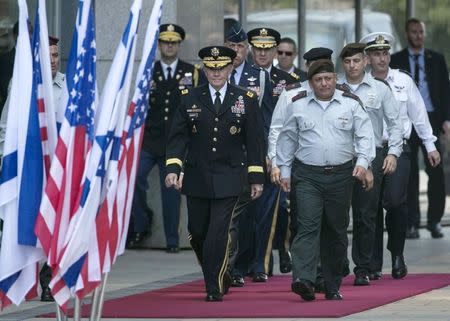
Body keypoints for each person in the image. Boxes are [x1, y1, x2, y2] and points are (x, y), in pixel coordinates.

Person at [165, 45, 265, 302]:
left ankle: (214, 285)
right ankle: (218, 272)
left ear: (230, 68)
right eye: (211, 68)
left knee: (218, 234)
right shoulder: (189, 97)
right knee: (197, 232)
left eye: (221, 68)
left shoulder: (246, 99)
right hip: (198, 176)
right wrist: (173, 168)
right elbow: (177, 138)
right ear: (204, 69)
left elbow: (255, 142)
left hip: (231, 177)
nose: (216, 72)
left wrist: (256, 177)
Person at [277, 59, 374, 301]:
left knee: (335, 229)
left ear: (335, 78)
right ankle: (304, 279)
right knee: (307, 225)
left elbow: (365, 136)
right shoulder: (297, 105)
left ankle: (331, 284)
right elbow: (287, 139)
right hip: (307, 175)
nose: (324, 83)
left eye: (328, 78)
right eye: (318, 80)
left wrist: (362, 163)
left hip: (341, 176)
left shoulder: (350, 104)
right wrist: (285, 171)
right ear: (311, 83)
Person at [361, 32, 441, 280]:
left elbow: (418, 114)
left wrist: (430, 145)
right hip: (371, 150)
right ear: (367, 58)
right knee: (370, 206)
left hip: (400, 148)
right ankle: (372, 263)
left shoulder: (403, 81)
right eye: (376, 54)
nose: (382, 58)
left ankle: (397, 253)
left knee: (395, 201)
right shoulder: (360, 84)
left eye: (385, 53)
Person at [129, 23, 199, 252]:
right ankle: (142, 222)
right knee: (134, 178)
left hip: (175, 143)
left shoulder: (192, 72)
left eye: (173, 42)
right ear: (159, 45)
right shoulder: (149, 71)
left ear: (179, 45)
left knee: (171, 190)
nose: (169, 46)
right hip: (150, 140)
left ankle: (171, 240)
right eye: (165, 42)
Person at [337, 43, 403, 286]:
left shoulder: (380, 89)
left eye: (356, 61)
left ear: (365, 61)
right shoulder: (333, 88)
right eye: (347, 62)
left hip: (371, 157)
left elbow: (395, 123)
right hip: (340, 159)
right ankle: (339, 261)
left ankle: (363, 267)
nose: (352, 66)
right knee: (338, 215)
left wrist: (393, 153)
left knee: (366, 215)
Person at [243, 27, 298, 283]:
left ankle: (261, 265)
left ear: (275, 50)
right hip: (244, 156)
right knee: (244, 214)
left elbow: (291, 124)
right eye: (258, 47)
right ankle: (239, 263)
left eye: (268, 48)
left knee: (268, 214)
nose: (263, 53)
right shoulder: (238, 77)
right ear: (252, 49)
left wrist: (279, 157)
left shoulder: (286, 80)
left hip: (274, 158)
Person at [390, 18, 450, 239]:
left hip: (432, 118)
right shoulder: (396, 59)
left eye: (421, 32)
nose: (418, 36)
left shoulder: (437, 58)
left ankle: (435, 221)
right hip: (407, 120)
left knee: (435, 171)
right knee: (410, 173)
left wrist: (446, 120)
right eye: (414, 32)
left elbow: (446, 90)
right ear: (407, 34)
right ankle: (411, 222)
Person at [223, 23, 273, 287]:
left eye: (240, 46)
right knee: (231, 215)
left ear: (247, 49)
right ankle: (232, 267)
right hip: (224, 157)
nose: (235, 51)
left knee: (255, 214)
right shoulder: (215, 73)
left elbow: (266, 120)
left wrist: (267, 154)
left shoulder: (259, 75)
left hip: (251, 156)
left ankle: (255, 264)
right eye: (231, 46)